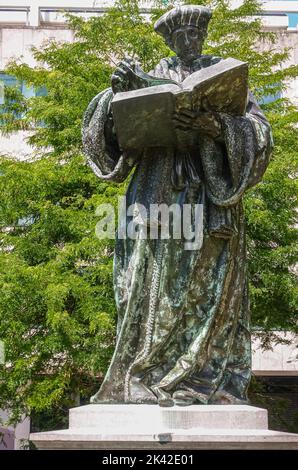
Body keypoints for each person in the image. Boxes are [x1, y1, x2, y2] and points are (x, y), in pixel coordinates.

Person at [82, 5, 273, 406]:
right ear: (168, 40)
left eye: (194, 35)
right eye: (180, 36)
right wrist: (115, 96)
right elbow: (104, 141)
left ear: (202, 36)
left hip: (208, 200)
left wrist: (216, 126)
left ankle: (200, 377)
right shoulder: (146, 78)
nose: (189, 42)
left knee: (207, 288)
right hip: (155, 196)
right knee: (146, 284)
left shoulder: (225, 79)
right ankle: (145, 374)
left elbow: (260, 136)